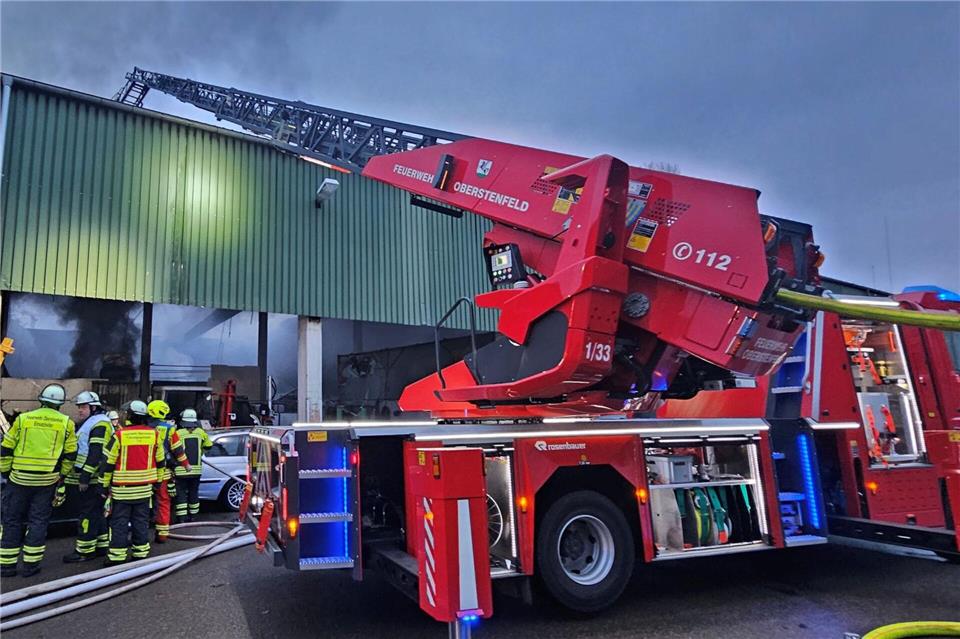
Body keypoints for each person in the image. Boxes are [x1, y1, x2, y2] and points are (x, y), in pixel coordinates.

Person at [0, 383, 78, 577]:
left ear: (41, 400)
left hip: (18, 479)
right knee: (38, 521)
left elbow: (6, 448)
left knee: (11, 520)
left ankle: (6, 566)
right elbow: (70, 454)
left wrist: (5, 472)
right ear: (59, 404)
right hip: (46, 481)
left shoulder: (23, 419)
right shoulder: (66, 423)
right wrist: (62, 475)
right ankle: (30, 566)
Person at [99, 400, 169, 565]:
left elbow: (107, 463)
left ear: (130, 415)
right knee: (141, 522)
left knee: (119, 523)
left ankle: (117, 556)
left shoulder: (119, 435)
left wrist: (103, 485)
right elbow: (161, 462)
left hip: (122, 490)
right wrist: (158, 482)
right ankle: (140, 553)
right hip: (145, 490)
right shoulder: (154, 434)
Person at [63, 391, 114, 563]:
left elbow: (96, 454)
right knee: (96, 513)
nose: (80, 410)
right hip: (92, 476)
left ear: (94, 407)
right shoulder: (93, 422)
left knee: (87, 514)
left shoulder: (99, 424)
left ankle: (84, 551)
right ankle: (100, 546)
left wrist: (84, 477)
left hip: (91, 478)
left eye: (83, 407)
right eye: (79, 407)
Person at [146, 400, 189, 542]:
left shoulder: (142, 427)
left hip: (143, 474)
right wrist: (186, 465)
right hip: (163, 473)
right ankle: (162, 534)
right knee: (163, 502)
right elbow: (178, 450)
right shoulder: (169, 429)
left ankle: (140, 535)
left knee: (141, 505)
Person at [174, 409, 212, 523]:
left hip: (181, 470)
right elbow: (209, 445)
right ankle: (193, 517)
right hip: (196, 470)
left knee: (180, 493)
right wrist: (201, 452)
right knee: (193, 492)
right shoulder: (200, 432)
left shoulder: (178, 433)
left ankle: (181, 519)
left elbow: (174, 450)